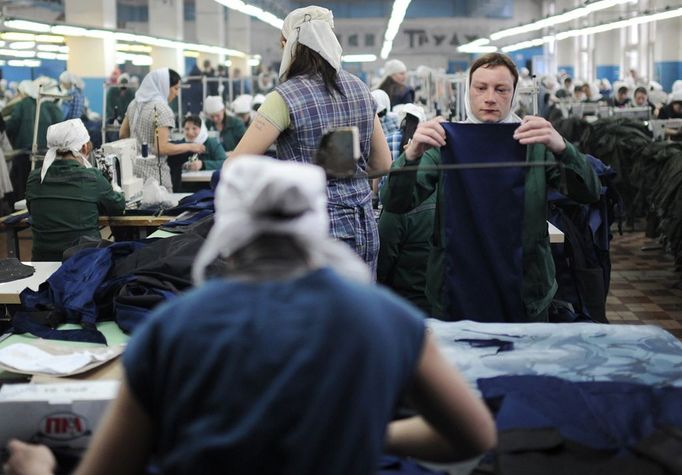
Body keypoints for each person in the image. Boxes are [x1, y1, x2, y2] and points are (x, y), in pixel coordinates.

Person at [4, 156, 496, 475]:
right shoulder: (388, 318)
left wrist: (39, 469)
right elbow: (473, 436)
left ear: (226, 230)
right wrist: (358, 430)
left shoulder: (172, 328)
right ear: (316, 223)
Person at [381, 52, 601, 321]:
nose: (489, 98)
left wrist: (563, 149)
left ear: (514, 93)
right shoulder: (444, 143)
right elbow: (396, 202)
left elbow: (588, 191)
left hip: (525, 290)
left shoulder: (535, 142)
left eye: (501, 89)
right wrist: (412, 155)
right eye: (481, 88)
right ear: (468, 91)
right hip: (457, 287)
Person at [232, 5, 392, 273]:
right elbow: (383, 163)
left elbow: (234, 167)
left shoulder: (283, 98)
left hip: (314, 231)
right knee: (357, 312)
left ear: (288, 44)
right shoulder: (362, 90)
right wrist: (347, 177)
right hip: (365, 228)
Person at [25, 119, 125, 261]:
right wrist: (116, 188)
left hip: (43, 261)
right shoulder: (93, 178)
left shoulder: (34, 178)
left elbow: (33, 211)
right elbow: (118, 207)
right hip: (84, 263)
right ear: (85, 147)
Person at [119, 68, 205, 191]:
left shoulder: (134, 104)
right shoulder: (162, 109)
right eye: (175, 88)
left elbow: (122, 134)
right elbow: (161, 148)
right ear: (164, 86)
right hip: (154, 177)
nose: (177, 93)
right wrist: (191, 146)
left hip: (132, 173)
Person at [5, 79, 63, 201]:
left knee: (23, 183)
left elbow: (12, 126)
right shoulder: (42, 105)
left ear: (23, 92)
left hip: (24, 151)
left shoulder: (21, 105)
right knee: (37, 182)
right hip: (42, 150)